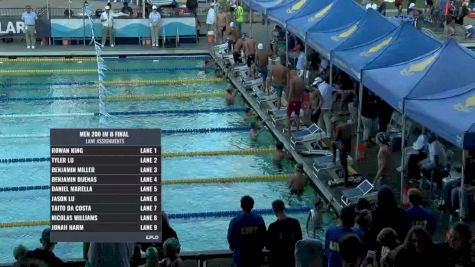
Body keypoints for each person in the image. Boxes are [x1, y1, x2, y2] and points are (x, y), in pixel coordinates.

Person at [227, 195, 267, 267]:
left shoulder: (235, 221)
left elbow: (230, 238)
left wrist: (233, 247)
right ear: (252, 206)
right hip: (256, 257)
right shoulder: (259, 219)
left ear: (241, 206)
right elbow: (264, 236)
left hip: (240, 258)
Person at [368, 186, 410, 250]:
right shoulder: (401, 213)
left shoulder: (374, 215)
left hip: (379, 249)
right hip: (398, 249)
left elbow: (372, 237)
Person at [267, 199, 303, 267]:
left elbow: (268, 245)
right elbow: (299, 241)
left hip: (276, 259)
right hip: (291, 259)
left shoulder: (272, 226)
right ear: (284, 208)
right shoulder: (295, 222)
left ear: (274, 211)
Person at [331, 116, 353, 187]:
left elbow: (335, 138)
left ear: (334, 123)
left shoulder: (337, 127)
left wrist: (333, 130)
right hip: (348, 147)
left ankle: (345, 184)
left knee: (344, 166)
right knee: (333, 143)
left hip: (342, 148)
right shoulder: (347, 125)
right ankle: (334, 158)